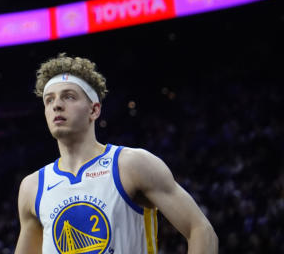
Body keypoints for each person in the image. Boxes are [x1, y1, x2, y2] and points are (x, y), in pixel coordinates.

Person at [14, 54, 219, 254]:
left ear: (94, 110)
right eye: (49, 100)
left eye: (69, 96)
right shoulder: (32, 187)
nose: (56, 105)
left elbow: (201, 230)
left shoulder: (132, 164)